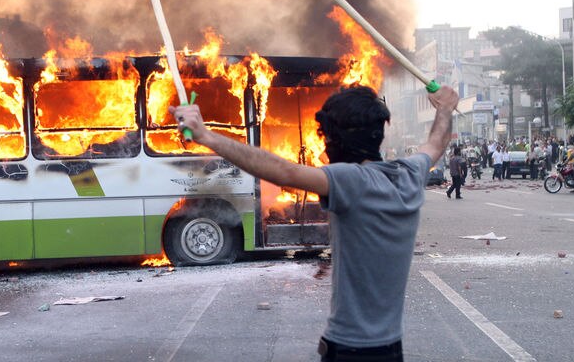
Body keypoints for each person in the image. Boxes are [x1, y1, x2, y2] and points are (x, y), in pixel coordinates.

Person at [170, 84, 458, 361]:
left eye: (326, 138)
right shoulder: (410, 174)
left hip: (349, 350)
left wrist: (207, 136)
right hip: (391, 349)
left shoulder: (351, 181)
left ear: (335, 141)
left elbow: (285, 172)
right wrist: (445, 109)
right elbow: (436, 143)